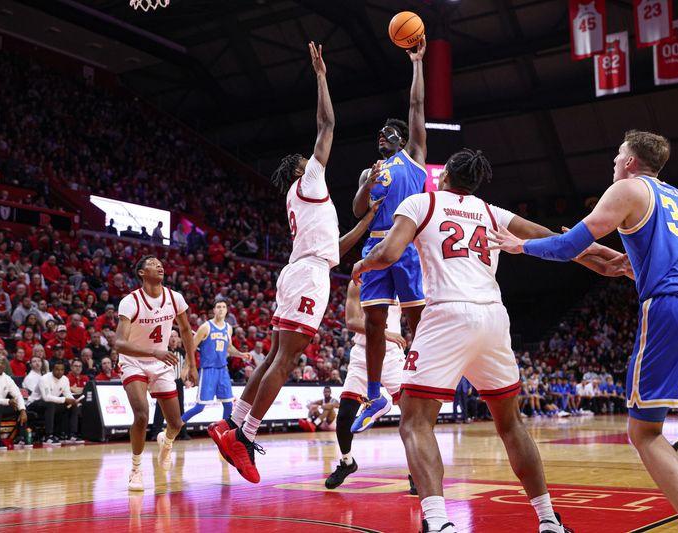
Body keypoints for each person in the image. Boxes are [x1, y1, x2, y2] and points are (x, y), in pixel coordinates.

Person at [487, 130, 678, 529]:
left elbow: (570, 244)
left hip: (676, 308)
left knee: (644, 432)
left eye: (616, 155)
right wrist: (631, 267)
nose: (613, 162)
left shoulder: (627, 189)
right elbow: (665, 259)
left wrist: (521, 246)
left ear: (629, 161)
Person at [350, 149, 618, 532]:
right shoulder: (493, 212)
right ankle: (548, 520)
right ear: (476, 184)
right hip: (493, 317)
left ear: (443, 179)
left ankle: (440, 522)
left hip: (447, 313)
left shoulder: (420, 201)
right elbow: (555, 241)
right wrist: (606, 259)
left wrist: (363, 263)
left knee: (414, 422)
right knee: (511, 425)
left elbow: (389, 253)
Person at [211, 43, 378, 484]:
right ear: (302, 168)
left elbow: (335, 249)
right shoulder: (309, 179)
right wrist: (321, 75)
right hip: (307, 275)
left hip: (303, 268)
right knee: (285, 359)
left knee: (273, 356)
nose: (316, 159)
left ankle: (232, 423)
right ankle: (245, 437)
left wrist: (368, 222)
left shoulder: (301, 199)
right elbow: (328, 123)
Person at [350, 37, 428, 433]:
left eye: (386, 132)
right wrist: (368, 185)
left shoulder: (413, 157)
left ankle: (423, 380)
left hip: (409, 244)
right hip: (376, 244)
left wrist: (416, 64)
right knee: (374, 324)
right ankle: (376, 392)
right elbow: (357, 210)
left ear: (400, 137)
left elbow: (416, 108)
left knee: (418, 321)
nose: (381, 136)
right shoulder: (371, 170)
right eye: (379, 134)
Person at [114, 255, 198, 491]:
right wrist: (155, 351)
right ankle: (136, 469)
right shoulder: (130, 302)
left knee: (176, 423)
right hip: (134, 362)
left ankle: (166, 441)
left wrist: (192, 365)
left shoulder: (174, 298)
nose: (159, 265)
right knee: (141, 415)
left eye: (161, 262)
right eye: (152, 263)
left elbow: (186, 329)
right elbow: (119, 343)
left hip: (161, 363)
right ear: (141, 272)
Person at [324, 281, 409, 489]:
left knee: (412, 414)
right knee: (344, 417)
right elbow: (352, 321)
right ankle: (347, 462)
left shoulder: (401, 279)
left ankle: (416, 471)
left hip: (392, 356)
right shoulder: (358, 282)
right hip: (362, 355)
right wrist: (383, 332)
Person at [181, 301, 248, 425]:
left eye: (223, 307)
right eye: (218, 307)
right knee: (199, 407)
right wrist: (186, 368)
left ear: (227, 310)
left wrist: (240, 354)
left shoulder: (228, 328)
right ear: (214, 310)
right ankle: (174, 427)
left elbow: (229, 347)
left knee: (228, 405)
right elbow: (191, 348)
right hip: (208, 370)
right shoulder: (206, 327)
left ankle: (224, 434)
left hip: (223, 370)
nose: (221, 309)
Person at [28, 360, 83, 445]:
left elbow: (68, 394)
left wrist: (73, 401)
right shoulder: (44, 379)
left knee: (72, 405)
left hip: (52, 404)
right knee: (50, 403)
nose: (60, 372)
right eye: (57, 369)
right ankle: (48, 436)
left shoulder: (65, 379)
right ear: (52, 370)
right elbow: (46, 397)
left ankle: (71, 434)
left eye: (62, 370)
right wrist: (65, 400)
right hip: (34, 404)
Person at [149, 331, 190, 441]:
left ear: (179, 339)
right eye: (171, 336)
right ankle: (156, 432)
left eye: (175, 336)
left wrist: (186, 380)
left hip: (178, 382)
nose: (173, 338)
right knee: (160, 408)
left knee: (180, 408)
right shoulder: (163, 352)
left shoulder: (182, 352)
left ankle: (183, 432)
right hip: (164, 381)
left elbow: (185, 367)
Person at [0, 355, 28, 449]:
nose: (0, 365)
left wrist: (22, 410)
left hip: (3, 406)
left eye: (2, 363)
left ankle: (20, 437)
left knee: (21, 408)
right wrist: (8, 401)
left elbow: (18, 394)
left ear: (5, 366)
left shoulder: (7, 378)